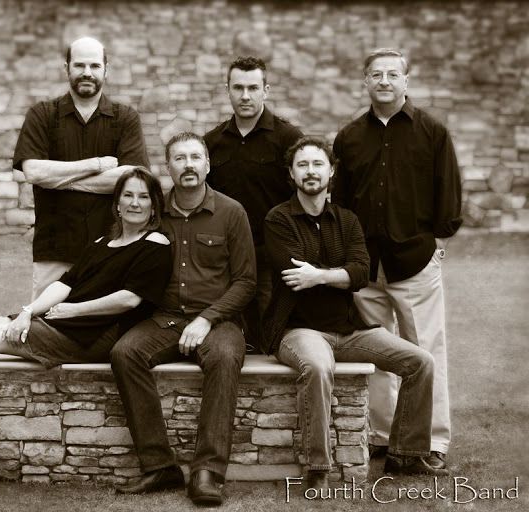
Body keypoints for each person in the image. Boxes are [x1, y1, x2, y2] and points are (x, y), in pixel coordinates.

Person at [262, 136, 450, 489]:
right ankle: (318, 467)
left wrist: (320, 275)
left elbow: (361, 274)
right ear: (291, 173)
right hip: (298, 329)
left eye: (318, 164)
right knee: (318, 367)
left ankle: (405, 454)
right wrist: (340, 275)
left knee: (421, 361)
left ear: (331, 171)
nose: (311, 171)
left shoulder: (347, 220)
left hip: (349, 330)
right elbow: (292, 272)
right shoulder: (278, 219)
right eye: (302, 165)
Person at [0, 168, 171, 375]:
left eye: (143, 197)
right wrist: (28, 311)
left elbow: (129, 299)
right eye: (128, 195)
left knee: (2, 337)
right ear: (117, 204)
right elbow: (65, 284)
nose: (135, 203)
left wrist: (74, 310)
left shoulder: (155, 244)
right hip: (68, 323)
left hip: (95, 336)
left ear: (154, 206)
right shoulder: (101, 243)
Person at [332, 49, 462, 470]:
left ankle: (432, 440)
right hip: (366, 267)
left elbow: (448, 193)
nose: (384, 81)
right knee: (377, 354)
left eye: (392, 74)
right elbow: (342, 204)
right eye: (376, 74)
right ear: (365, 82)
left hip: (415, 261)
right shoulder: (349, 137)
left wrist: (437, 243)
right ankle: (384, 436)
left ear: (406, 81)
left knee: (426, 352)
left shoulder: (432, 132)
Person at [110, 132, 256, 506]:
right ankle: (160, 466)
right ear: (168, 167)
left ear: (207, 164)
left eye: (195, 157)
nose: (188, 165)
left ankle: (208, 472)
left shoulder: (232, 212)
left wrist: (208, 318)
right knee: (125, 353)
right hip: (165, 319)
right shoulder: (155, 214)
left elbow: (246, 282)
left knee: (224, 357)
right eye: (179, 158)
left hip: (218, 321)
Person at [13, 36, 150, 299]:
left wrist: (58, 179)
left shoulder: (126, 118)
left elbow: (133, 179)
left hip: (111, 246)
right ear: (67, 68)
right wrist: (96, 165)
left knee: (101, 321)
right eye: (79, 65)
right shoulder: (42, 115)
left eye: (95, 66)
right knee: (44, 320)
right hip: (54, 248)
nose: (87, 72)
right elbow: (33, 172)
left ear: (106, 70)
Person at [204, 56, 302, 351]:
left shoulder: (288, 138)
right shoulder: (212, 142)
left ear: (265, 90)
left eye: (253, 88)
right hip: (225, 257)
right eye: (238, 88)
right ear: (228, 90)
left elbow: (301, 198)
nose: (245, 96)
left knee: (270, 335)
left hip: (272, 256)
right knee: (230, 333)